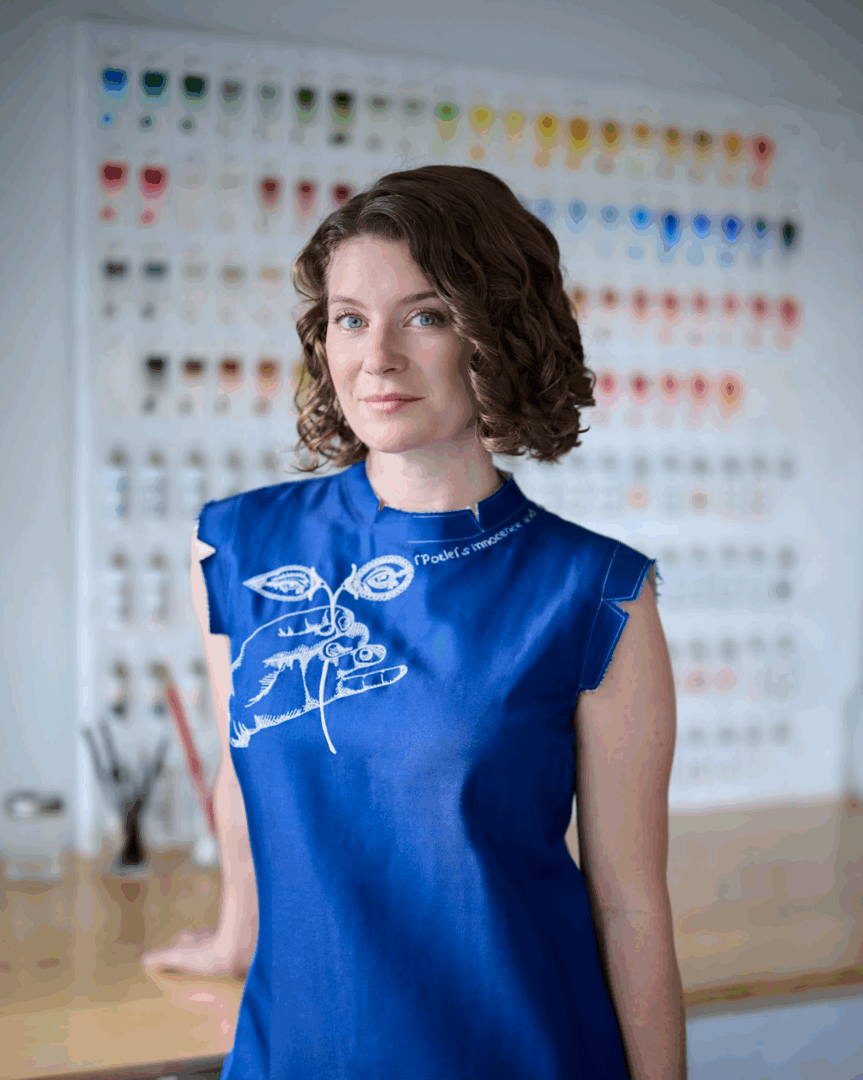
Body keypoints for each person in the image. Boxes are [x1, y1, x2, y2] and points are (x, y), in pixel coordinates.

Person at [141, 164, 686, 1079]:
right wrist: (235, 937)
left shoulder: (596, 592)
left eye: (425, 316)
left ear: (498, 335)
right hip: (296, 1053)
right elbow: (245, 774)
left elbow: (628, 906)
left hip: (520, 1051)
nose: (377, 357)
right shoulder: (235, 548)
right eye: (350, 319)